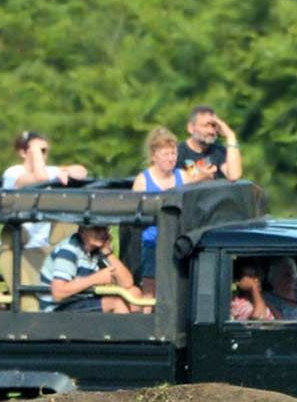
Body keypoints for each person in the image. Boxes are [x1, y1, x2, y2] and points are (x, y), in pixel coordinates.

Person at [2, 131, 89, 251]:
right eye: (40, 151)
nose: (43, 155)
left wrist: (67, 172)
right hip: (19, 243)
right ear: (23, 152)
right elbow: (41, 179)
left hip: (44, 244)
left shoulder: (49, 171)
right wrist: (36, 153)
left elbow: (82, 171)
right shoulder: (13, 172)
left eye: (45, 151)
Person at [130, 127, 185, 298]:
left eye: (173, 154)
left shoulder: (183, 176)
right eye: (166, 154)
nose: (171, 159)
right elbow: (134, 213)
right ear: (154, 156)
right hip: (151, 242)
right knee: (149, 289)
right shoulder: (142, 180)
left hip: (177, 240)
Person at [39, 225, 136, 313]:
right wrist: (95, 279)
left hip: (82, 301)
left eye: (105, 229)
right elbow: (58, 293)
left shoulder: (96, 251)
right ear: (82, 230)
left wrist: (108, 252)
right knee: (115, 302)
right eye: (97, 229)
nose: (102, 233)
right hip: (58, 310)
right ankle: (130, 332)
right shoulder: (69, 250)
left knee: (134, 293)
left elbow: (127, 283)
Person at [178, 106, 242, 183]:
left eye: (213, 126)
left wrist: (230, 135)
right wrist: (202, 175)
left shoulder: (218, 151)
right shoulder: (177, 153)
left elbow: (234, 176)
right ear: (191, 128)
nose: (211, 131)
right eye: (205, 126)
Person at [262, 256, 297, 320]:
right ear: (273, 278)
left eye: (293, 273)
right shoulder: (268, 299)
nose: (290, 277)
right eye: (285, 274)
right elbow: (280, 324)